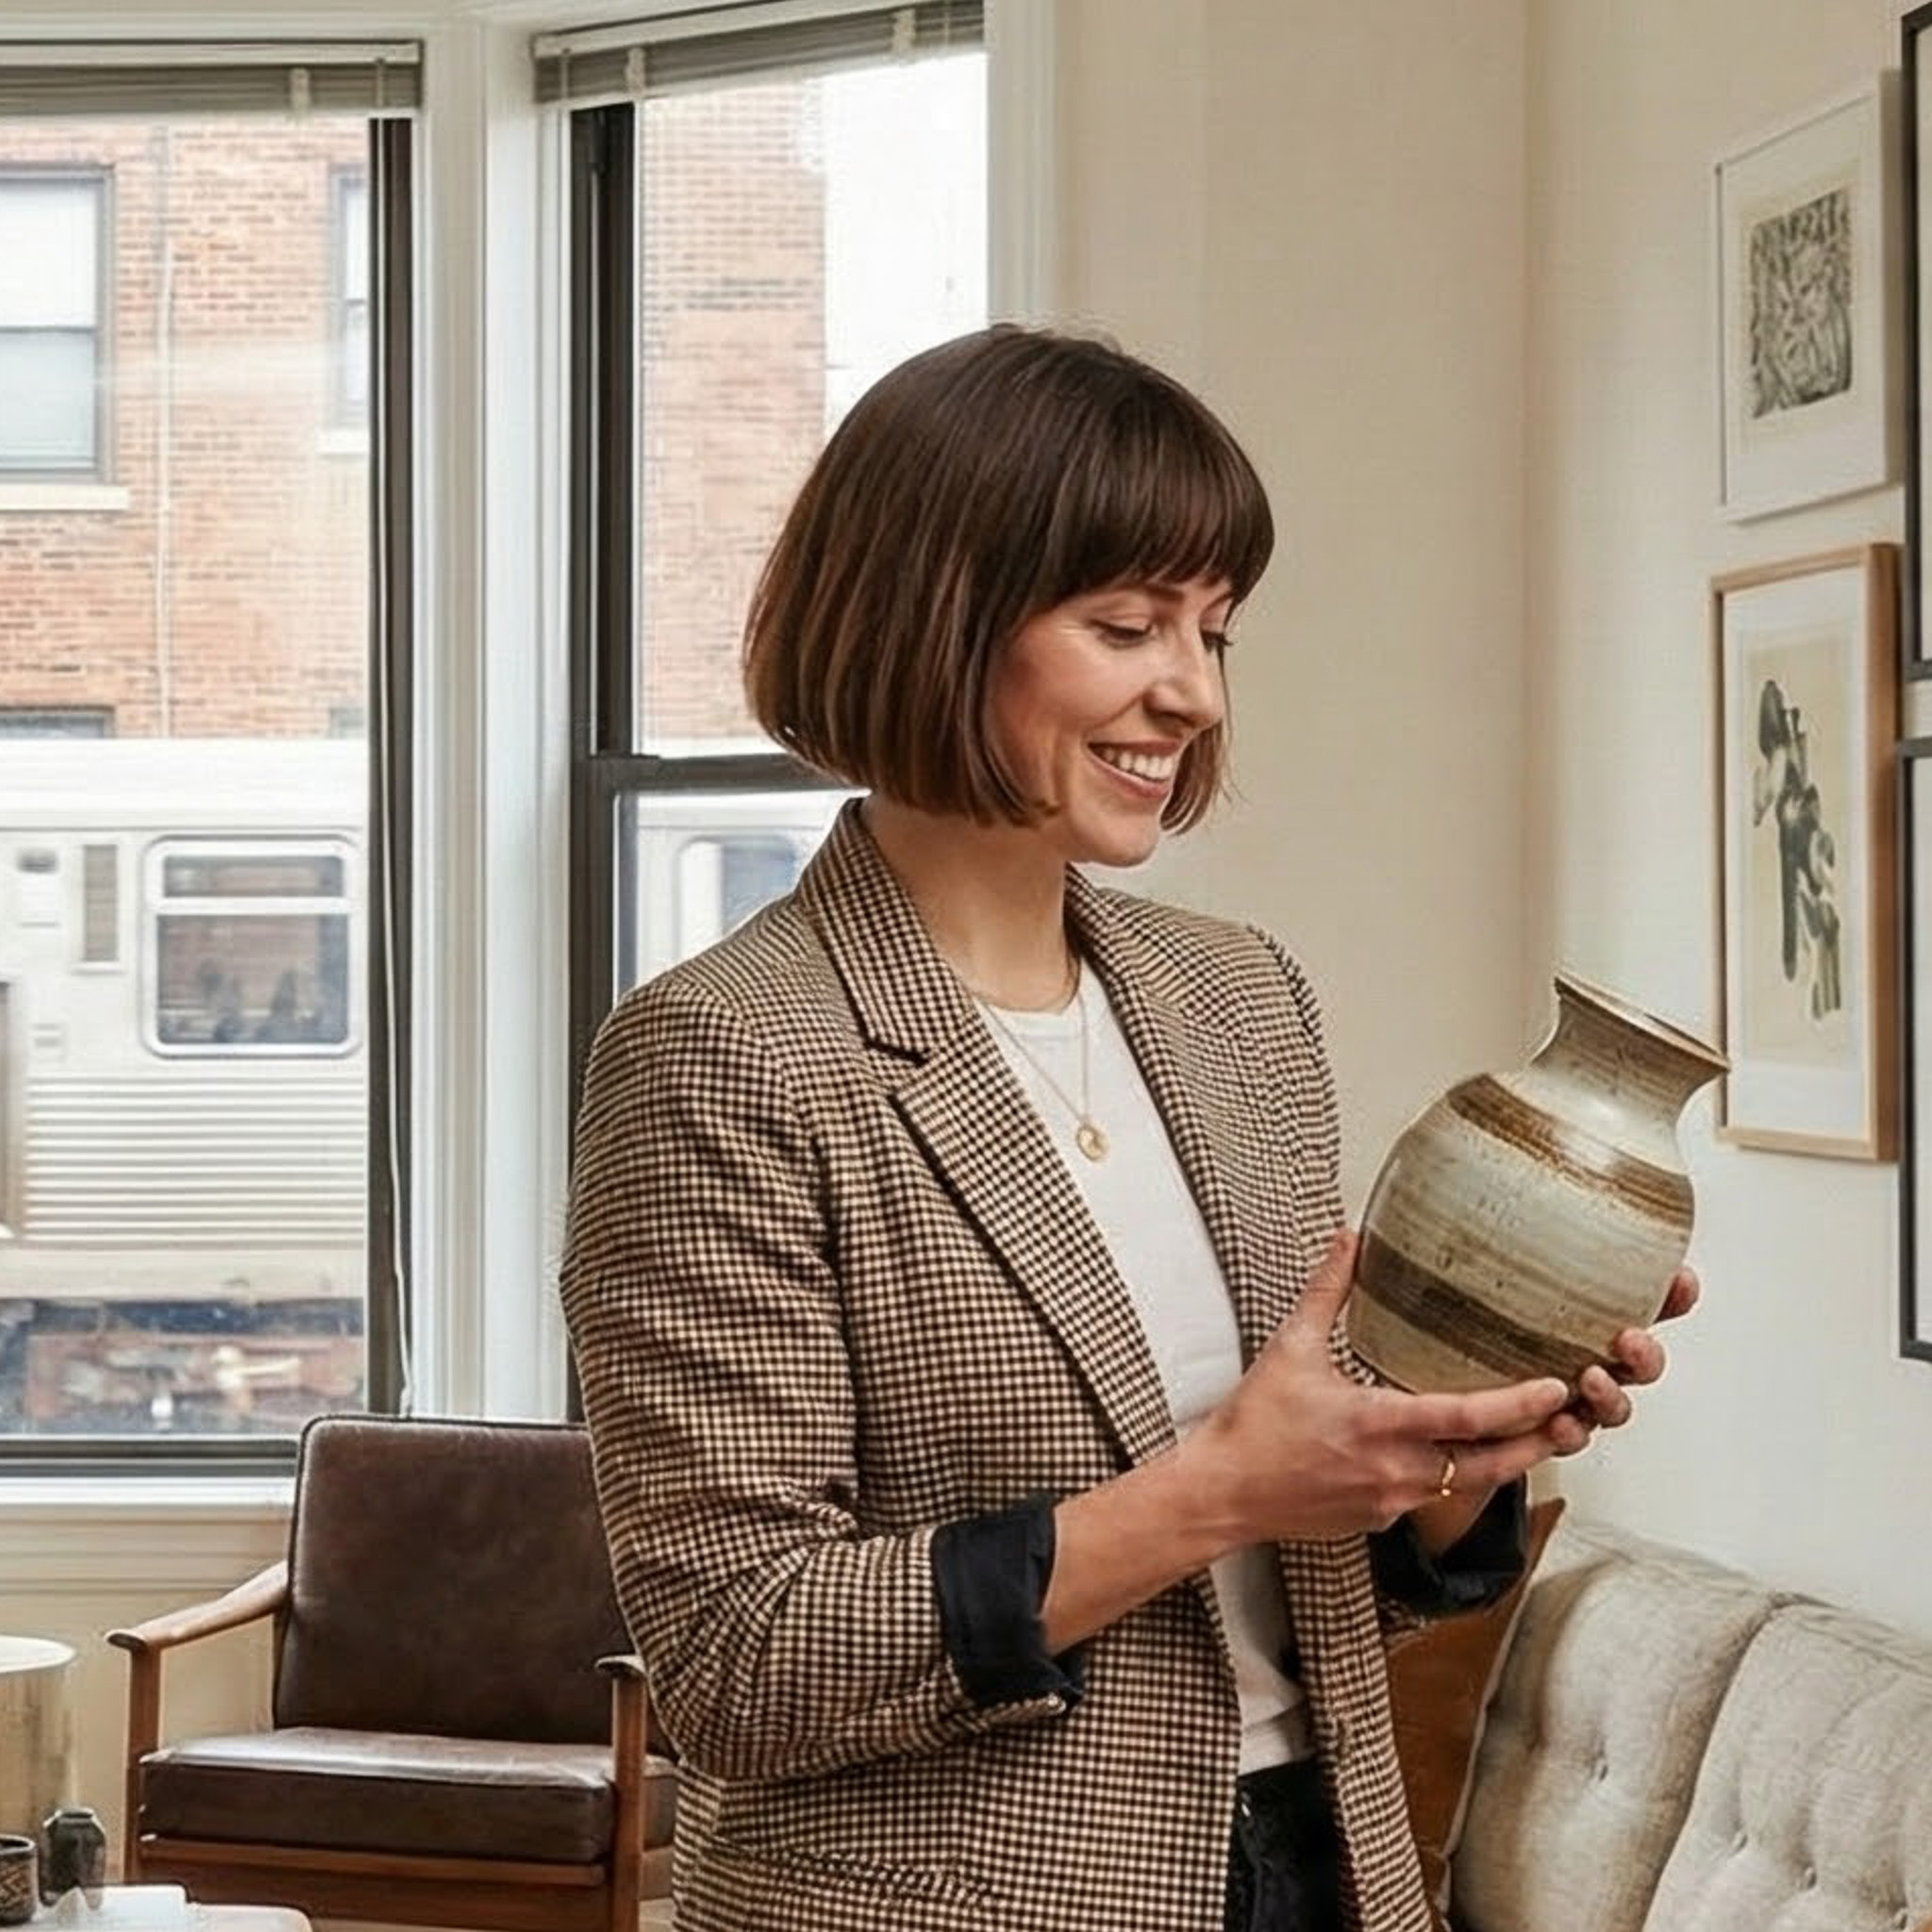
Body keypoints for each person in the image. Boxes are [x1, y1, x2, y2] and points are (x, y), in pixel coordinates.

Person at [559, 325, 1693, 1932]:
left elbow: (1326, 1560)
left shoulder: (1240, 1000)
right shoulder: (722, 1056)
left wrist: (1456, 1451)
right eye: (1125, 625)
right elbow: (745, 1656)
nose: (1194, 690)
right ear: (937, 618)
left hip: (1325, 1870)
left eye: (1215, 630)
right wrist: (1219, 1486)